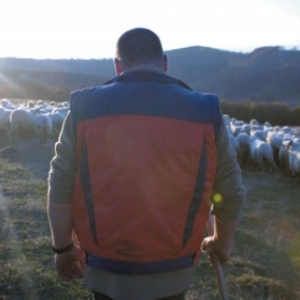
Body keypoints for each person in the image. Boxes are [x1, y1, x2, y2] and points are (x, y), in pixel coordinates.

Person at [47, 28, 246, 300]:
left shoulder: (84, 108)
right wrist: (222, 243)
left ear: (118, 66)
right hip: (173, 272)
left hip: (105, 270)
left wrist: (63, 249)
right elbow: (231, 192)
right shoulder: (205, 111)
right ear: (164, 64)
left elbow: (60, 185)